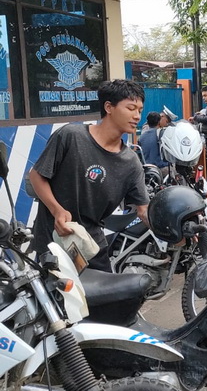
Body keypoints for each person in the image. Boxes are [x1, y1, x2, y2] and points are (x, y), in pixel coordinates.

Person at [29, 79, 150, 272]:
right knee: (58, 301)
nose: (137, 116)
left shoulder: (131, 162)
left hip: (92, 247)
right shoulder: (70, 136)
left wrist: (174, 231)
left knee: (108, 300)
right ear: (109, 107)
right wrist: (57, 210)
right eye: (131, 108)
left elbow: (143, 210)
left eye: (140, 110)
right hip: (54, 245)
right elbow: (37, 176)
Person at [138, 111, 169, 175]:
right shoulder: (162, 134)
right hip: (161, 169)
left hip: (147, 169)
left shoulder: (142, 137)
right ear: (158, 122)